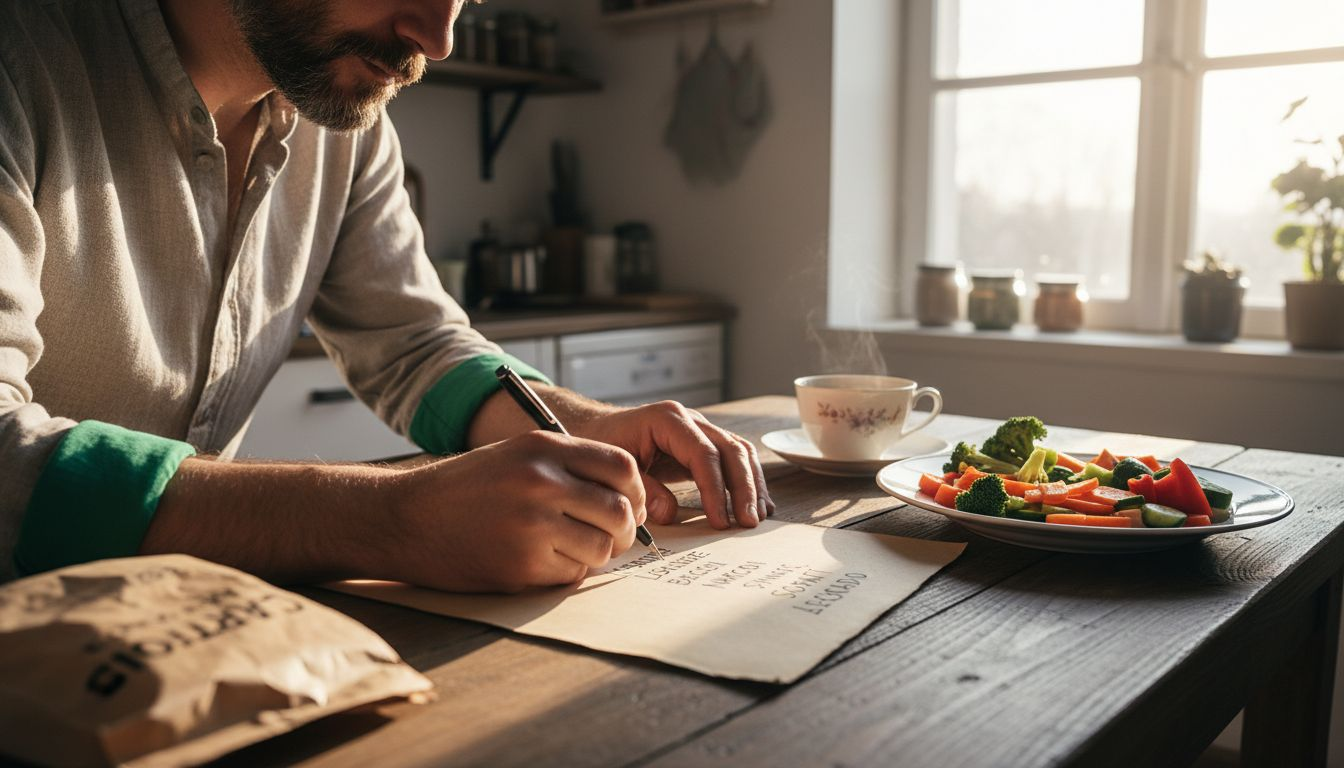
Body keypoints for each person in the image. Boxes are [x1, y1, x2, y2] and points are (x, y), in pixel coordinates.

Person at [0, 0, 773, 590]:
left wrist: (584, 424)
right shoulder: (22, 58)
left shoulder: (340, 121)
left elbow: (415, 343)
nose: (437, 37)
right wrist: (392, 520)